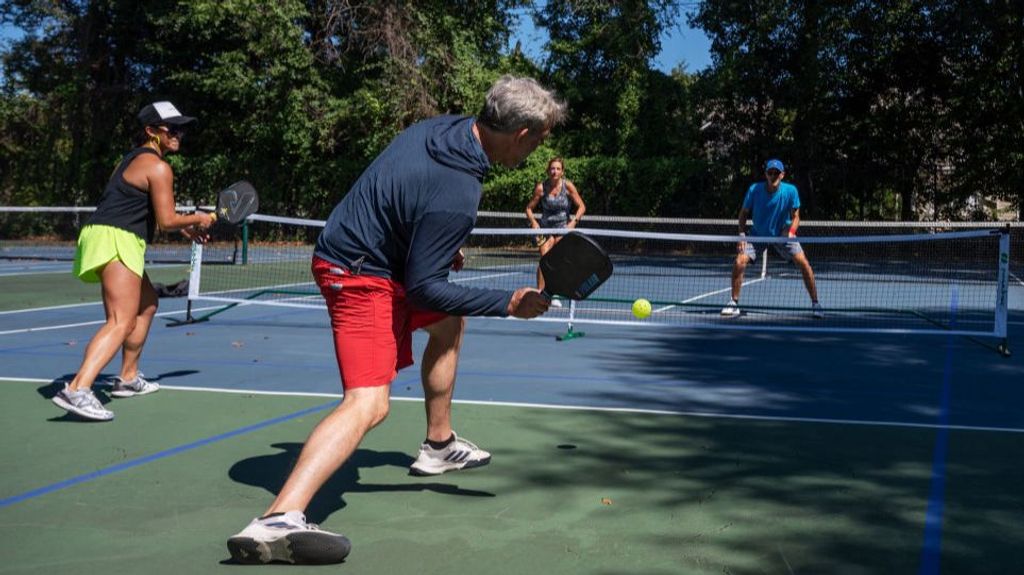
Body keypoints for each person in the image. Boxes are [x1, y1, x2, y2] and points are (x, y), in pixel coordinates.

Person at [226, 75, 566, 565]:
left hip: (379, 256)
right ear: (521, 133)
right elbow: (427, 285)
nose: (537, 150)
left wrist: (433, 242)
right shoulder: (459, 189)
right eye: (539, 139)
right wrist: (508, 303)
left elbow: (405, 193)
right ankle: (279, 516)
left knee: (449, 324)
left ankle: (438, 445)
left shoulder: (445, 129)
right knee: (369, 403)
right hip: (357, 272)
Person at [51, 101, 215, 422]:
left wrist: (188, 231)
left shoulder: (135, 160)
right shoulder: (158, 167)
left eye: (182, 128)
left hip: (112, 235)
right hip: (116, 238)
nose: (179, 134)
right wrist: (200, 217)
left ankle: (128, 378)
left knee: (148, 303)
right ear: (151, 131)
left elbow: (150, 211)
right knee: (120, 321)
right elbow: (167, 220)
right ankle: (77, 389)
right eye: (173, 128)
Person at [721, 158, 822, 319]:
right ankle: (733, 303)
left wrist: (791, 232)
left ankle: (816, 304)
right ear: (766, 174)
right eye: (770, 172)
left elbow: (796, 216)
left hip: (782, 234)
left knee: (804, 263)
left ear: (782, 175)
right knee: (740, 261)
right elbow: (743, 213)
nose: (773, 175)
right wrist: (741, 236)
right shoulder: (754, 190)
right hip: (757, 235)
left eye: (776, 173)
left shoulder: (791, 191)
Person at [525, 157, 586, 295]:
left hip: (563, 228)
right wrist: (534, 223)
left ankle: (556, 292)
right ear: (548, 171)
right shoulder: (541, 188)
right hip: (545, 228)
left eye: (558, 169)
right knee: (544, 259)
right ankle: (540, 293)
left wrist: (573, 223)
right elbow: (529, 209)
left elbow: (582, 206)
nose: (555, 171)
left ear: (562, 172)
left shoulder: (568, 186)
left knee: (559, 259)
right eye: (552, 168)